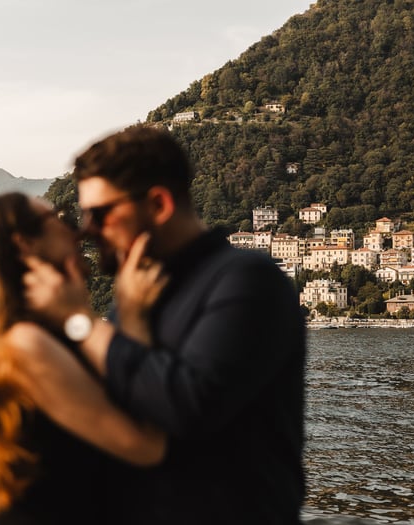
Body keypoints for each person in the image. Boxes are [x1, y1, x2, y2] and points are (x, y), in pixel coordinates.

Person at [21, 125, 307, 524]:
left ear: (157, 204)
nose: (86, 230)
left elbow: (188, 407)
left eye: (99, 213)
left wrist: (78, 321)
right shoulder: (133, 298)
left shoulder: (249, 281)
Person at [0, 192, 167, 525]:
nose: (78, 232)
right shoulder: (27, 344)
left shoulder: (2, 341)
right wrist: (130, 317)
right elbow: (146, 446)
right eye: (62, 219)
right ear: (25, 245)